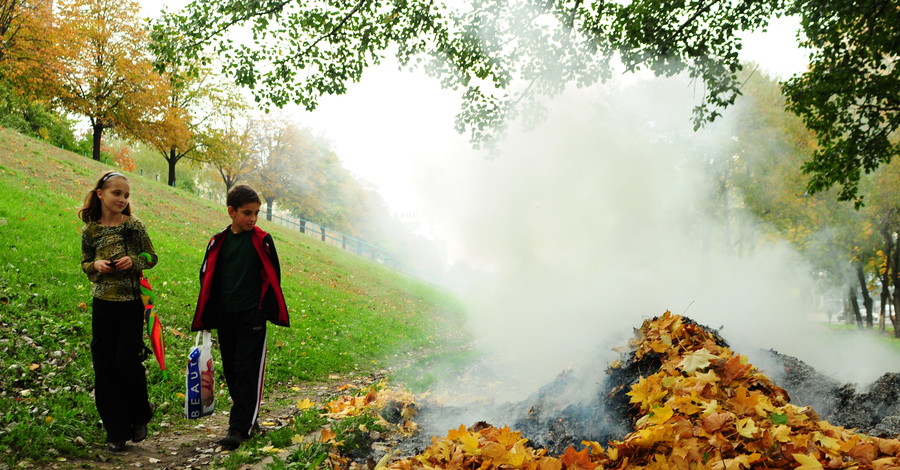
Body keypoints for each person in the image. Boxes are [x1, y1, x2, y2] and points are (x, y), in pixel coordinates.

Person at [191, 184, 290, 450]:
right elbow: (207, 276)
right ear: (231, 212)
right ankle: (248, 418)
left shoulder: (262, 239)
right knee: (234, 372)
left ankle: (240, 428)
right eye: (247, 213)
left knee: (248, 371)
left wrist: (263, 310)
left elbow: (273, 276)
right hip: (226, 316)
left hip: (252, 317)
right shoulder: (218, 241)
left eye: (256, 213)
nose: (253, 218)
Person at [78, 170, 157, 452]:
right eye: (116, 193)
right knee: (104, 368)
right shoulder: (91, 230)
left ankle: (139, 416)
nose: (122, 199)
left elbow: (151, 257)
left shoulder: (133, 227)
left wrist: (133, 260)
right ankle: (116, 431)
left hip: (130, 305)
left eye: (126, 195)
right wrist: (95, 266)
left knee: (126, 362)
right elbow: (85, 261)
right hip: (102, 304)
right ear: (100, 194)